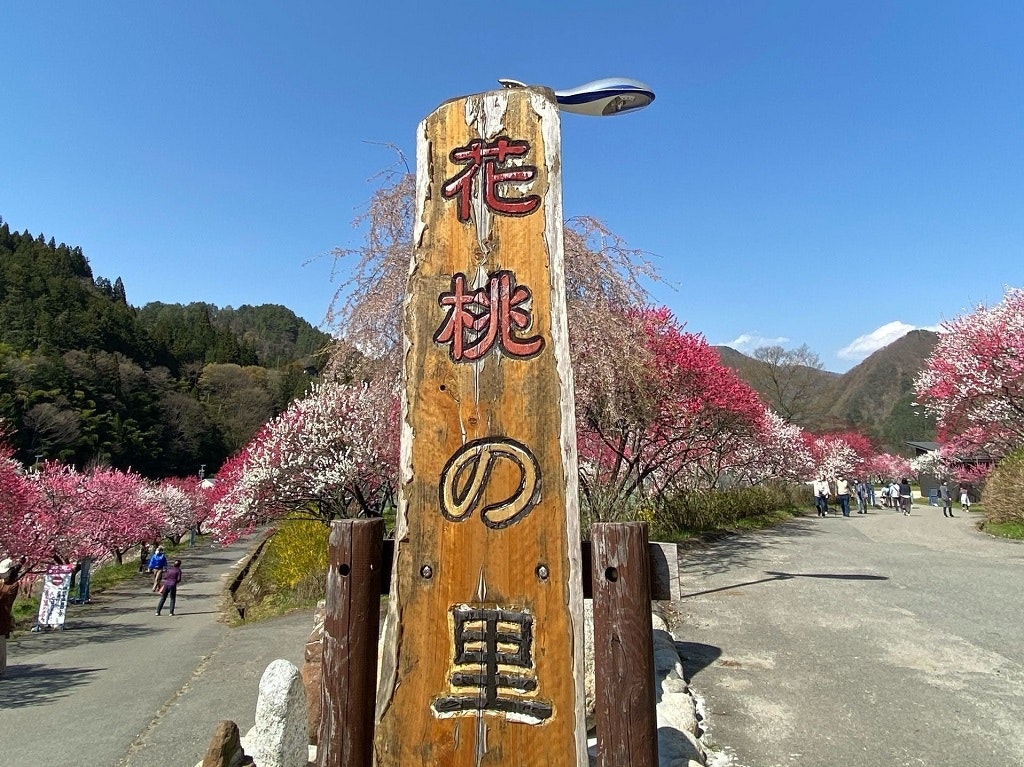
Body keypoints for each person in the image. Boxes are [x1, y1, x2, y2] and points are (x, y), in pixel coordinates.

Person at [1, 556, 27, 678]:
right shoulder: (1, 582)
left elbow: (6, 601)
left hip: (3, 616)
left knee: (1, 644)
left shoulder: (13, 585)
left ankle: (1, 669)